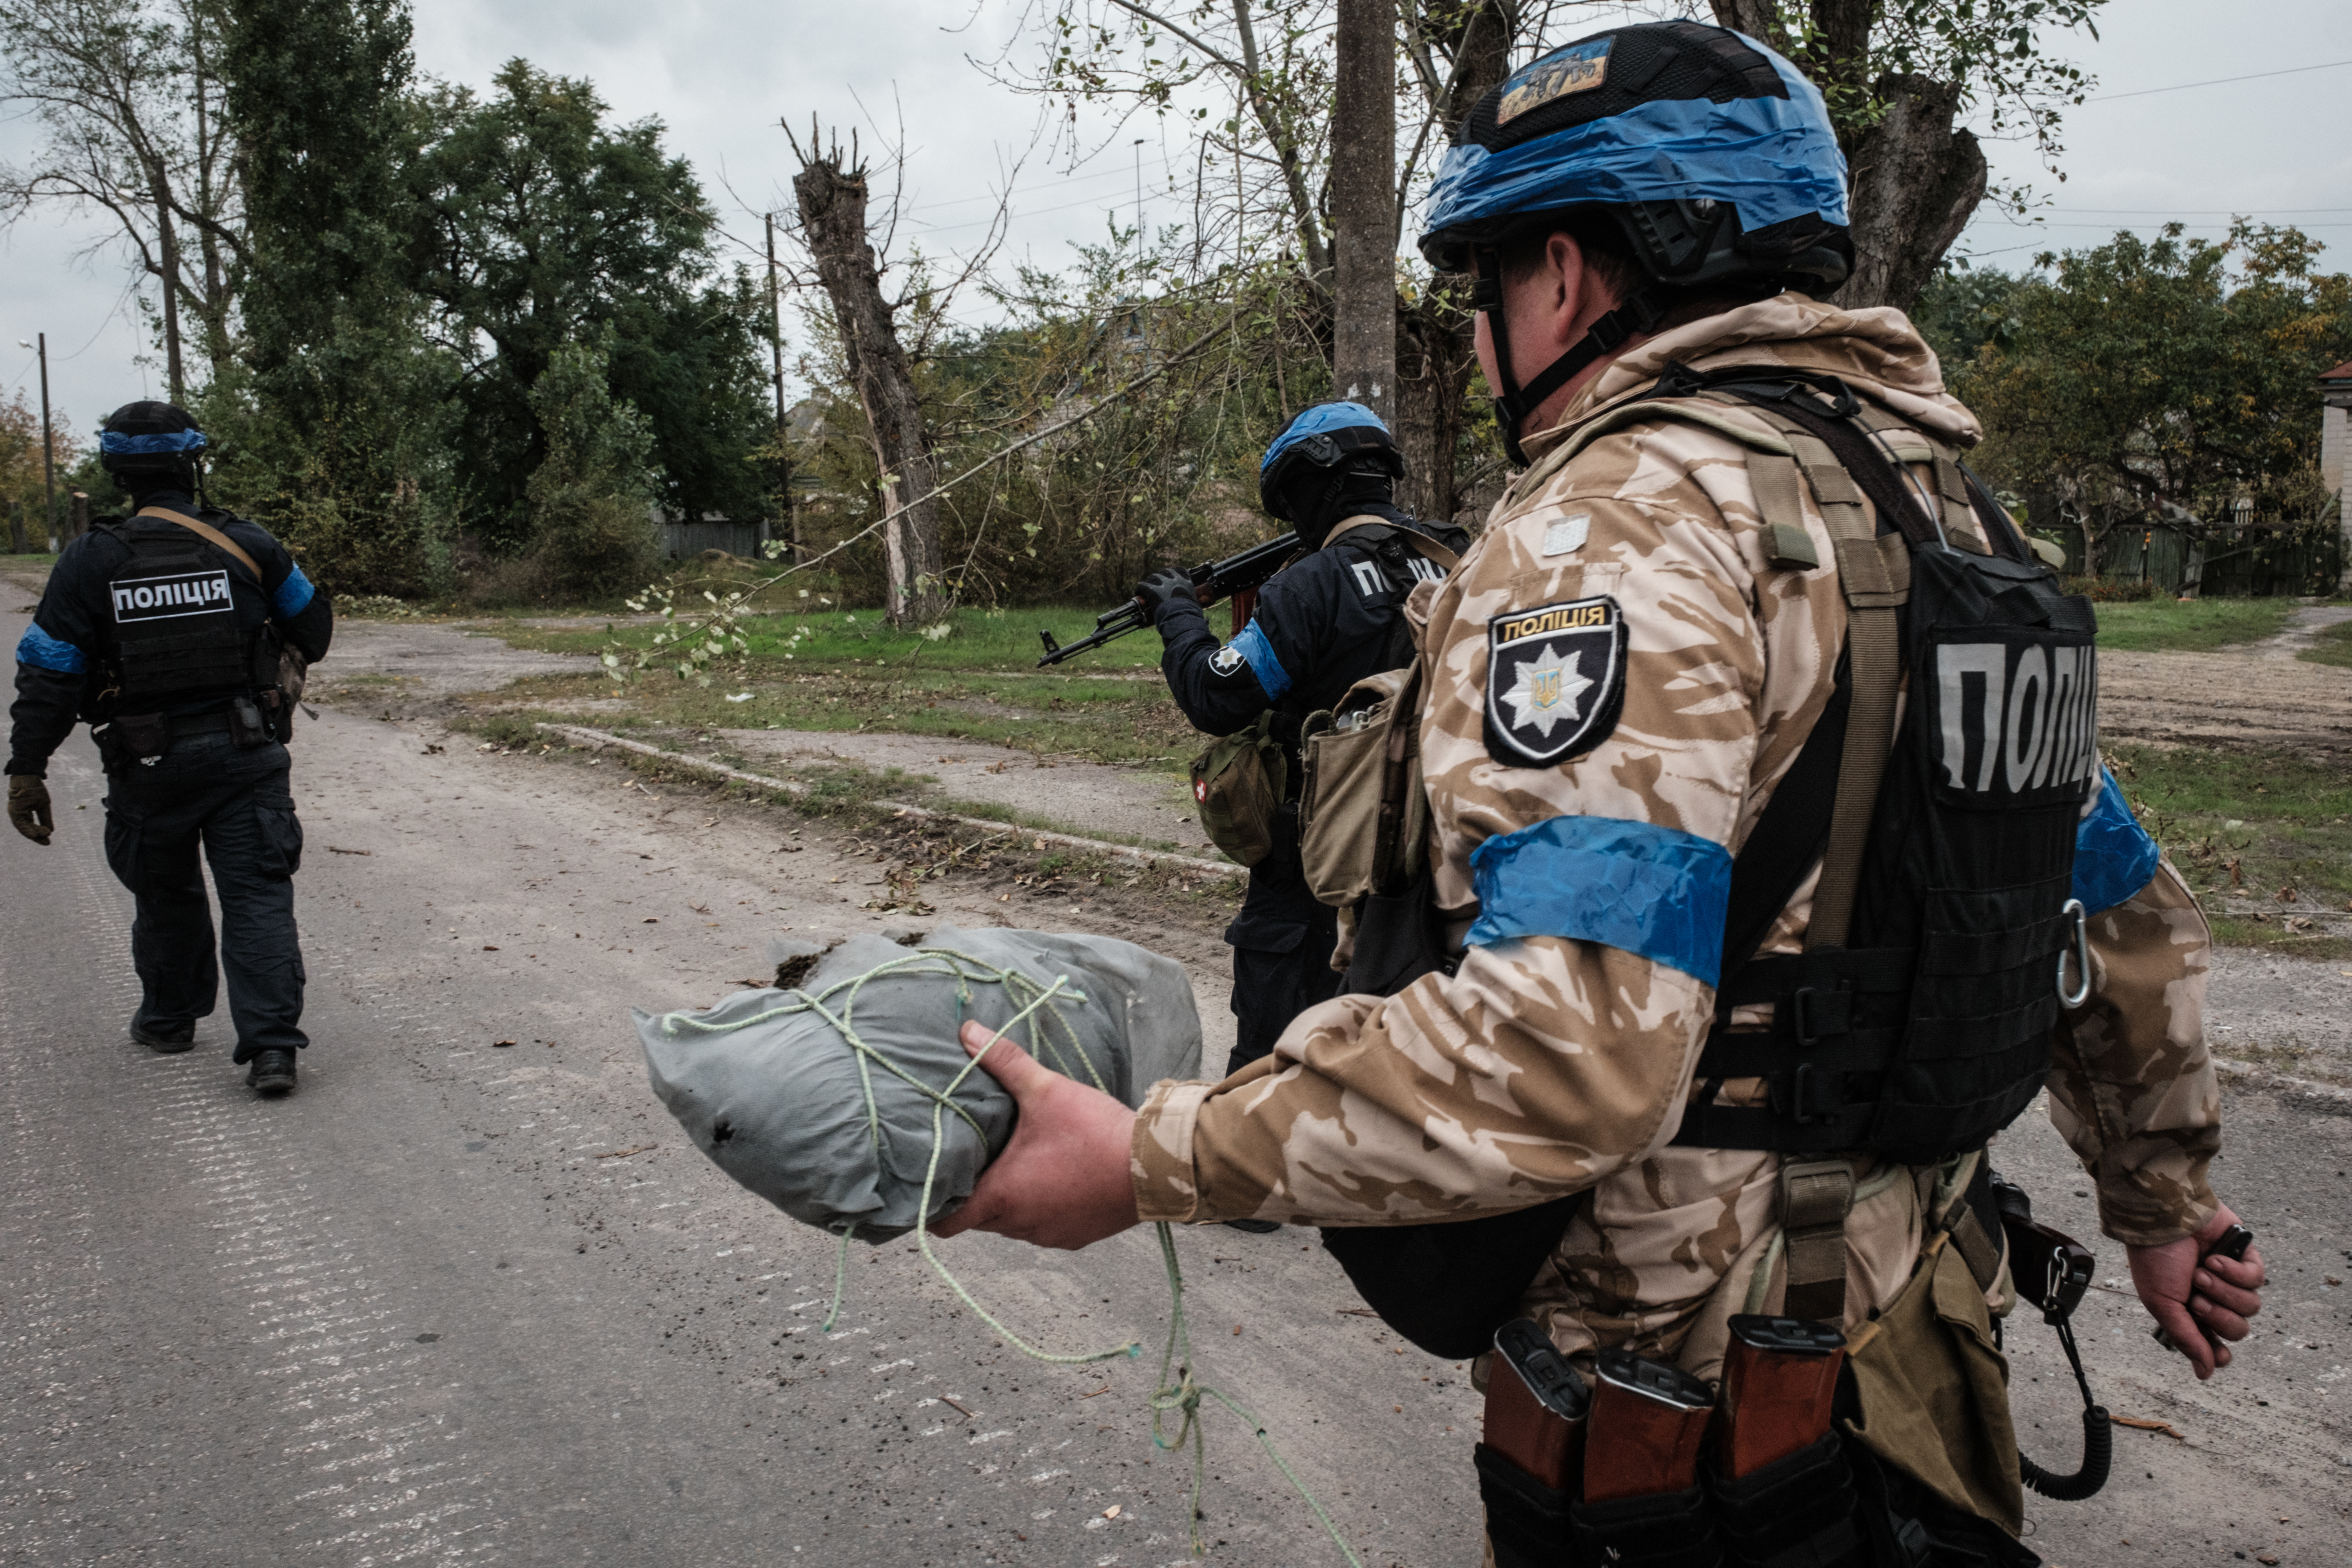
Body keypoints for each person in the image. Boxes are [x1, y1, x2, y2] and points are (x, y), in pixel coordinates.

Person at [936, 18, 2265, 1565]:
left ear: (1564, 275)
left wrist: (1150, 1157)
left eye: (1486, 286)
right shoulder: (1944, 511)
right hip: (1918, 1348)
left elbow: (1566, 1047)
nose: (1487, 334)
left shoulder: (1622, 521)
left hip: (1693, 1420)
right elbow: (2112, 901)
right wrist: (2163, 1200)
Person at [1136, 401, 1465, 1108]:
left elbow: (1217, 696)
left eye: (1292, 502)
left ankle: (1254, 1170)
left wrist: (1178, 616)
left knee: (1279, 995)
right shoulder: (1457, 561)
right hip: (1435, 832)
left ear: (1316, 486)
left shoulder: (1311, 584)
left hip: (1318, 840)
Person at [7, 401, 332, 1097]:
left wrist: (26, 767)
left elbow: (50, 673)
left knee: (164, 891)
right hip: (247, 754)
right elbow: (315, 623)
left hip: (146, 764)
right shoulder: (250, 545)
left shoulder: (89, 560)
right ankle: (273, 1049)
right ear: (192, 464)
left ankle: (169, 1019)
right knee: (256, 897)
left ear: (118, 473)